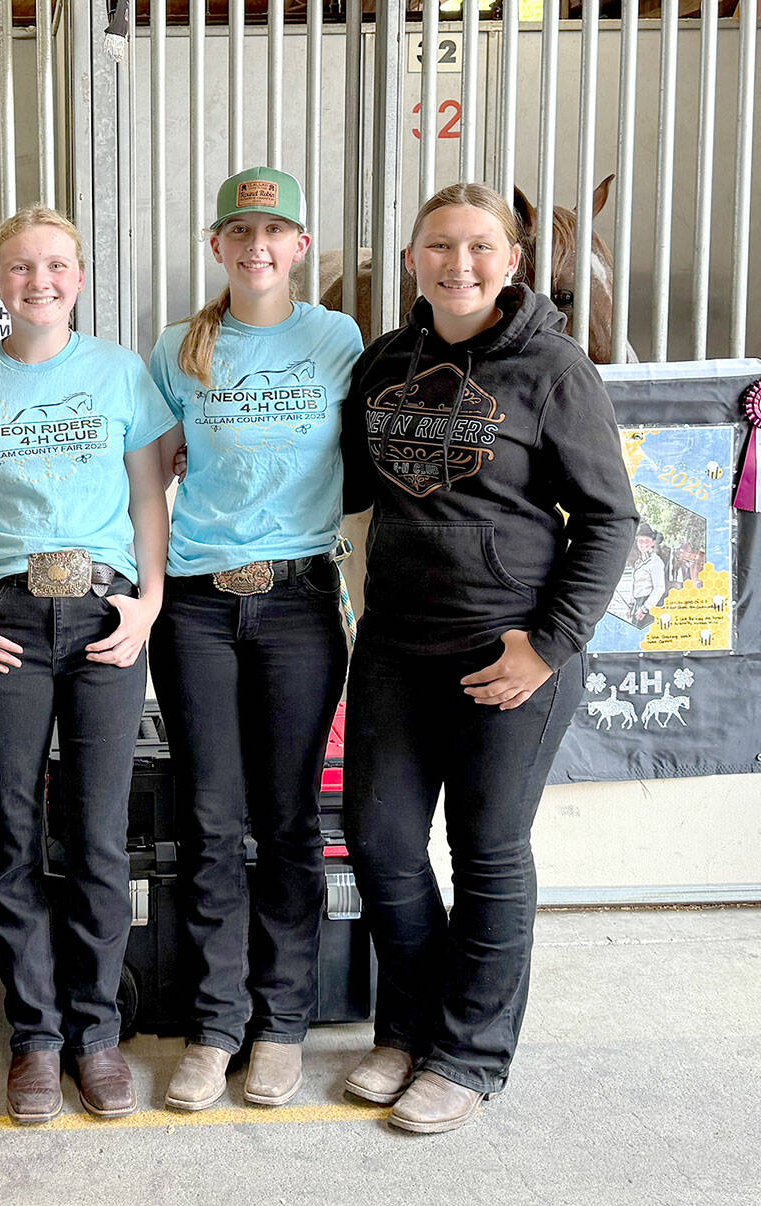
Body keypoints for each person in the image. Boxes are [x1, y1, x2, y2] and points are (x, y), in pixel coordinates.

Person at [339, 182, 637, 1132]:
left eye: (478, 248)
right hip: (394, 642)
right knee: (384, 842)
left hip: (509, 650)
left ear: (511, 261)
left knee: (489, 851)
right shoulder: (385, 361)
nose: (457, 266)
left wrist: (548, 646)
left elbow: (609, 519)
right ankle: (411, 1025)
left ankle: (469, 1056)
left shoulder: (554, 369)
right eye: (438, 247)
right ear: (414, 257)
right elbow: (344, 480)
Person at [0, 206, 174, 1124]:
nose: (40, 281)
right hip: (7, 621)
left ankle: (95, 1034)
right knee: (16, 829)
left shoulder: (119, 373)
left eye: (56, 265)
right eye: (20, 268)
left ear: (80, 277)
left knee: (99, 833)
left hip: (105, 617)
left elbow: (150, 492)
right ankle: (35, 1037)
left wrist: (148, 599)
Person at [147, 166, 363, 1111]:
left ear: (300, 246)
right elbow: (147, 481)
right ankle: (213, 1025)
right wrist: (149, 594)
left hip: (300, 603)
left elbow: (369, 460)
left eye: (275, 231)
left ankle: (279, 1025)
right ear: (218, 247)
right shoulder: (177, 351)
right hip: (197, 606)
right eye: (241, 233)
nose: (258, 247)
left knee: (287, 824)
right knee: (207, 819)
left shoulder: (339, 340)